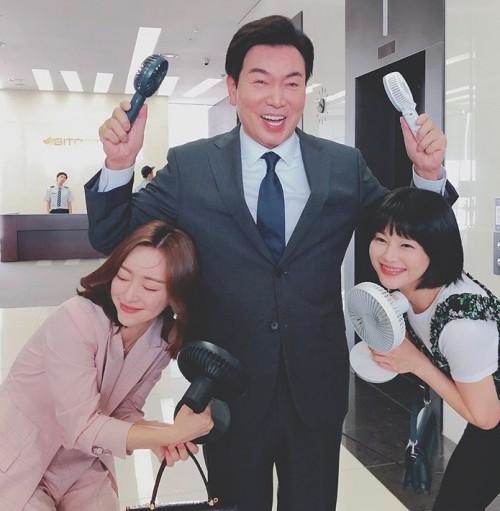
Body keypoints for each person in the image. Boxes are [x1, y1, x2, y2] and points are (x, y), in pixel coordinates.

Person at [85, 15, 456, 511]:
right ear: (233, 88)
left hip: (316, 387)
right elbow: (111, 237)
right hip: (227, 388)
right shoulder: (193, 166)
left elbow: (410, 237)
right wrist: (119, 165)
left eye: (292, 83)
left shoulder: (342, 165)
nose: (277, 99)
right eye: (260, 81)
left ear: (305, 90)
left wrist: (427, 176)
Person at [0, 220, 213, 510]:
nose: (129, 295)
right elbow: (81, 426)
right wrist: (170, 434)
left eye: (150, 286)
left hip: (82, 465)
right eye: (123, 277)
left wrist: (157, 436)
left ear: (175, 296)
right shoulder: (74, 320)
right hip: (20, 459)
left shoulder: (163, 337)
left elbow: (124, 409)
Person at [366, 187, 499, 511]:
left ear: (435, 251)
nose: (388, 256)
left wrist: (416, 363)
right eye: (381, 239)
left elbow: (486, 418)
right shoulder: (413, 288)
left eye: (406, 245)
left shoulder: (461, 326)